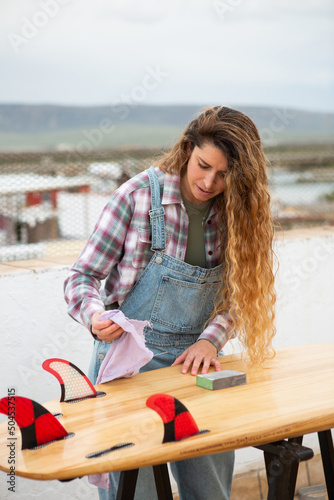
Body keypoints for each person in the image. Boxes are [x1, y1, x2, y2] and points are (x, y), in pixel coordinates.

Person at [64, 105, 276, 500]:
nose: (210, 182)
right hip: (126, 371)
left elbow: (238, 295)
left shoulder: (237, 211)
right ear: (187, 148)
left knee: (210, 492)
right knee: (133, 491)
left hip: (196, 370)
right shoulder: (137, 196)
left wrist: (210, 341)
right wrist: (95, 317)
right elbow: (82, 278)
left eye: (225, 174)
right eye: (203, 165)